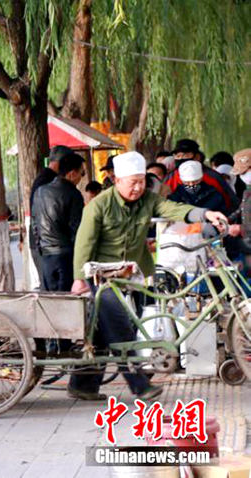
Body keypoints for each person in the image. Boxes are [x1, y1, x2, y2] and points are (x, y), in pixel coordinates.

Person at [69, 151, 229, 401]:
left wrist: (205, 214)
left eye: (141, 181)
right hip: (100, 277)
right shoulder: (98, 206)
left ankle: (82, 384)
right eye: (132, 182)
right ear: (117, 180)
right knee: (121, 329)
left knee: (105, 329)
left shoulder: (148, 200)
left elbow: (174, 209)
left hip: (131, 274)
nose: (138, 187)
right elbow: (83, 244)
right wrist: (79, 279)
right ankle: (139, 385)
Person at [31, 153, 86, 294]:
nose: (81, 178)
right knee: (66, 302)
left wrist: (41, 247)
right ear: (72, 174)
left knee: (50, 301)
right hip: (65, 258)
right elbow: (77, 229)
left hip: (45, 256)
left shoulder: (40, 191)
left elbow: (35, 224)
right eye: (82, 173)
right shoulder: (73, 194)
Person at [28, 146, 73, 289]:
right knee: (53, 291)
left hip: (46, 244)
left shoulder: (47, 179)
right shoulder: (47, 182)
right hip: (47, 245)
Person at [162, 139, 238, 213]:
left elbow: (229, 202)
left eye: (185, 155)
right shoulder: (170, 178)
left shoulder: (213, 177)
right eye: (177, 156)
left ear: (197, 157)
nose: (181, 159)